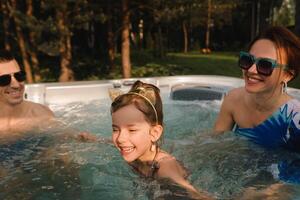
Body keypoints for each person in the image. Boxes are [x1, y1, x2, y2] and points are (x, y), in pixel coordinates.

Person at [214, 26, 300, 183]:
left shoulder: (295, 117)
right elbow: (215, 143)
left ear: (287, 75)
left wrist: (276, 190)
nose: (251, 70)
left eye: (265, 65)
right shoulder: (233, 99)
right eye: (248, 60)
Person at [111, 80, 213, 199]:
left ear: (154, 133)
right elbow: (111, 142)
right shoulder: (132, 150)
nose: (121, 139)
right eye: (115, 129)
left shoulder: (164, 168)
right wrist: (92, 139)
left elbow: (197, 196)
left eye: (132, 130)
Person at [0, 50, 54, 137]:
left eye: (19, 76)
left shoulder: (40, 115)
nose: (16, 85)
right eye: (4, 80)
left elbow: (59, 144)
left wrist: (78, 138)